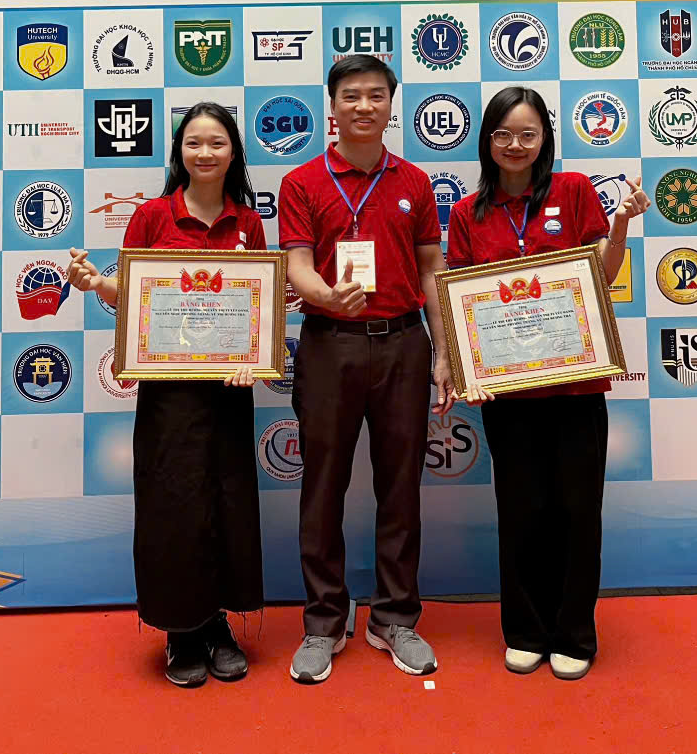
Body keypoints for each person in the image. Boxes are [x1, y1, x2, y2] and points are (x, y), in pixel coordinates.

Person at [445, 86, 649, 681]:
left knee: (578, 510)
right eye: (503, 134)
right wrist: (467, 370)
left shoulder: (574, 190)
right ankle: (525, 630)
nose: (515, 145)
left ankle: (574, 633)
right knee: (521, 511)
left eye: (527, 134)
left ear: (545, 139)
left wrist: (619, 227)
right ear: (487, 140)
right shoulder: (466, 214)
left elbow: (601, 275)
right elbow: (460, 303)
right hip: (508, 394)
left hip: (575, 387)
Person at [65, 102, 266, 689]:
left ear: (234, 152)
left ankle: (217, 623)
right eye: (194, 143)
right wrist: (96, 284)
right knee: (173, 505)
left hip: (228, 392)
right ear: (179, 152)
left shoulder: (248, 222)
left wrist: (253, 357)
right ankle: (182, 630)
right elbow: (132, 295)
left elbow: (256, 305)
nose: (205, 153)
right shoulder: (152, 216)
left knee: (225, 503)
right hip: (168, 391)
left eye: (217, 143)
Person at [279, 54, 455, 684]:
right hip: (329, 344)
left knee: (400, 486)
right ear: (332, 106)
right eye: (350, 95)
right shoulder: (301, 182)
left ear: (391, 105)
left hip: (403, 345)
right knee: (322, 486)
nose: (363, 106)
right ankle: (324, 621)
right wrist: (325, 295)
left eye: (375, 95)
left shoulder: (414, 181)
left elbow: (432, 269)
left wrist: (444, 351)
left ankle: (394, 618)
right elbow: (297, 265)